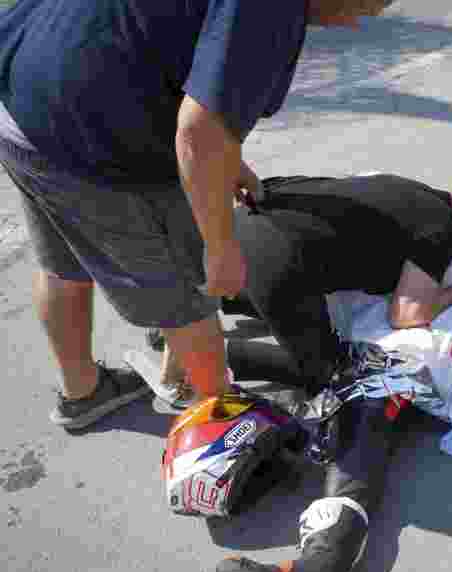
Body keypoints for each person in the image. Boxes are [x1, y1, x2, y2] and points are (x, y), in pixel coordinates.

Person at [0, 0, 392, 431]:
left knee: (63, 265)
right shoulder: (274, 8)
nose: (361, 22)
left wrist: (229, 164)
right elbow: (200, 132)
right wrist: (221, 249)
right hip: (91, 134)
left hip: (23, 99)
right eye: (367, 6)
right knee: (188, 296)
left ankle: (84, 393)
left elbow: (171, 52)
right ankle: (223, 421)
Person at [189, 173, 452, 572]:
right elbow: (408, 314)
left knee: (349, 387)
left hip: (239, 238)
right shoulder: (441, 228)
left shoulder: (407, 189)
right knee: (344, 387)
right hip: (329, 304)